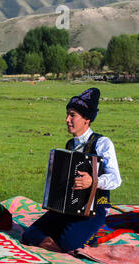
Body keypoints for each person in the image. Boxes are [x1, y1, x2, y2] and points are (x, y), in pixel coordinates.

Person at [22, 88, 122, 252]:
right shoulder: (70, 145)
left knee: (69, 244)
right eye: (68, 114)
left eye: (73, 115)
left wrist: (93, 181)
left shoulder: (102, 143)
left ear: (86, 119)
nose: (67, 119)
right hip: (68, 209)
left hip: (94, 210)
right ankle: (61, 240)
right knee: (29, 234)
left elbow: (116, 179)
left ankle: (83, 236)